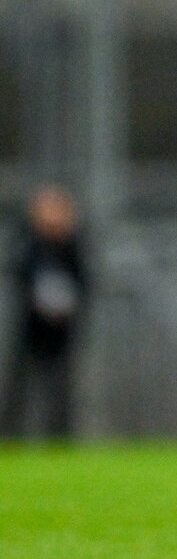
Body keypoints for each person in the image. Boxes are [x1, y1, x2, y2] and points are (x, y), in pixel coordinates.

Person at [1, 185, 88, 438]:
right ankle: (9, 437)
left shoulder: (72, 245)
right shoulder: (29, 243)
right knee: (19, 387)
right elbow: (20, 273)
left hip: (62, 329)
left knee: (60, 388)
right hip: (31, 327)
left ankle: (60, 439)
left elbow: (84, 281)